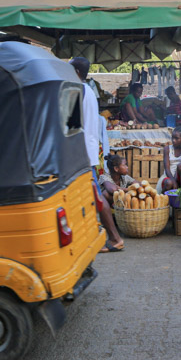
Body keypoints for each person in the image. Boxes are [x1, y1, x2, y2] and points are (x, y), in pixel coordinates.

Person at [70, 57, 124, 253]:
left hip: (82, 154)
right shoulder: (88, 92)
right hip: (86, 152)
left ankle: (115, 238)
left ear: (76, 71)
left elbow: (72, 125)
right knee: (89, 197)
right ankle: (95, 237)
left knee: (97, 196)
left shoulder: (77, 92)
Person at [158, 126, 181, 192]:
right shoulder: (167, 149)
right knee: (169, 183)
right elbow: (167, 168)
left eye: (177, 138)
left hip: (180, 176)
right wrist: (173, 180)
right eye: (172, 138)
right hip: (168, 175)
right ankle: (164, 198)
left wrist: (176, 179)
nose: (173, 140)